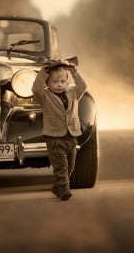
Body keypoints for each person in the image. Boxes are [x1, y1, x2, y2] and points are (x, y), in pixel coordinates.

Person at [32, 59, 87, 201]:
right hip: (54, 138)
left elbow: (83, 85)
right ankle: (63, 189)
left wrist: (75, 72)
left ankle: (58, 186)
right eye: (55, 82)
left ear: (67, 81)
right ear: (47, 83)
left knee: (70, 165)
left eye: (62, 81)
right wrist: (43, 73)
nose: (59, 85)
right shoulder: (45, 96)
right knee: (61, 166)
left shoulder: (73, 93)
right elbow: (36, 89)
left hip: (71, 136)